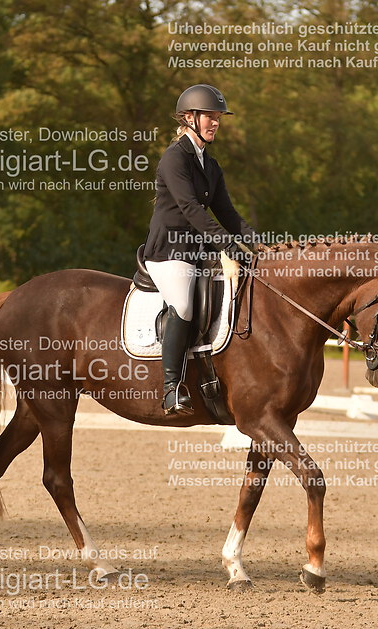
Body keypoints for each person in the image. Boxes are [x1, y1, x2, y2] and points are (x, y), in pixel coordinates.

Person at [143, 84, 262, 415]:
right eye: (210, 116)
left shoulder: (210, 166)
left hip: (198, 249)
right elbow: (192, 210)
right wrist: (228, 247)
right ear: (189, 118)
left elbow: (229, 215)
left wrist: (261, 246)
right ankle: (171, 388)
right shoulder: (174, 159)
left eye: (218, 117)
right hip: (169, 250)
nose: (216, 123)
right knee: (182, 304)